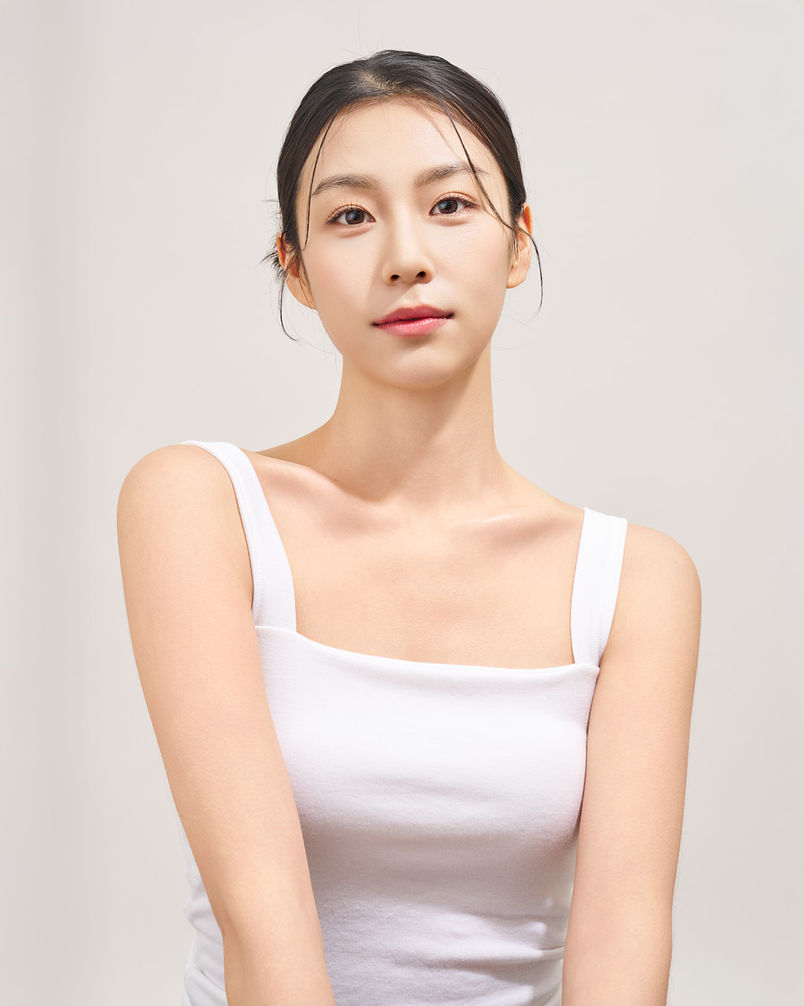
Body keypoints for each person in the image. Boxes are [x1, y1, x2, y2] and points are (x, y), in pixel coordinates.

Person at [116, 49, 701, 1006]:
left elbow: (624, 943)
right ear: (295, 268)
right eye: (350, 216)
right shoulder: (200, 505)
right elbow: (264, 933)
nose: (405, 256)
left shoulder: (635, 579)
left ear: (519, 243)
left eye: (451, 204)